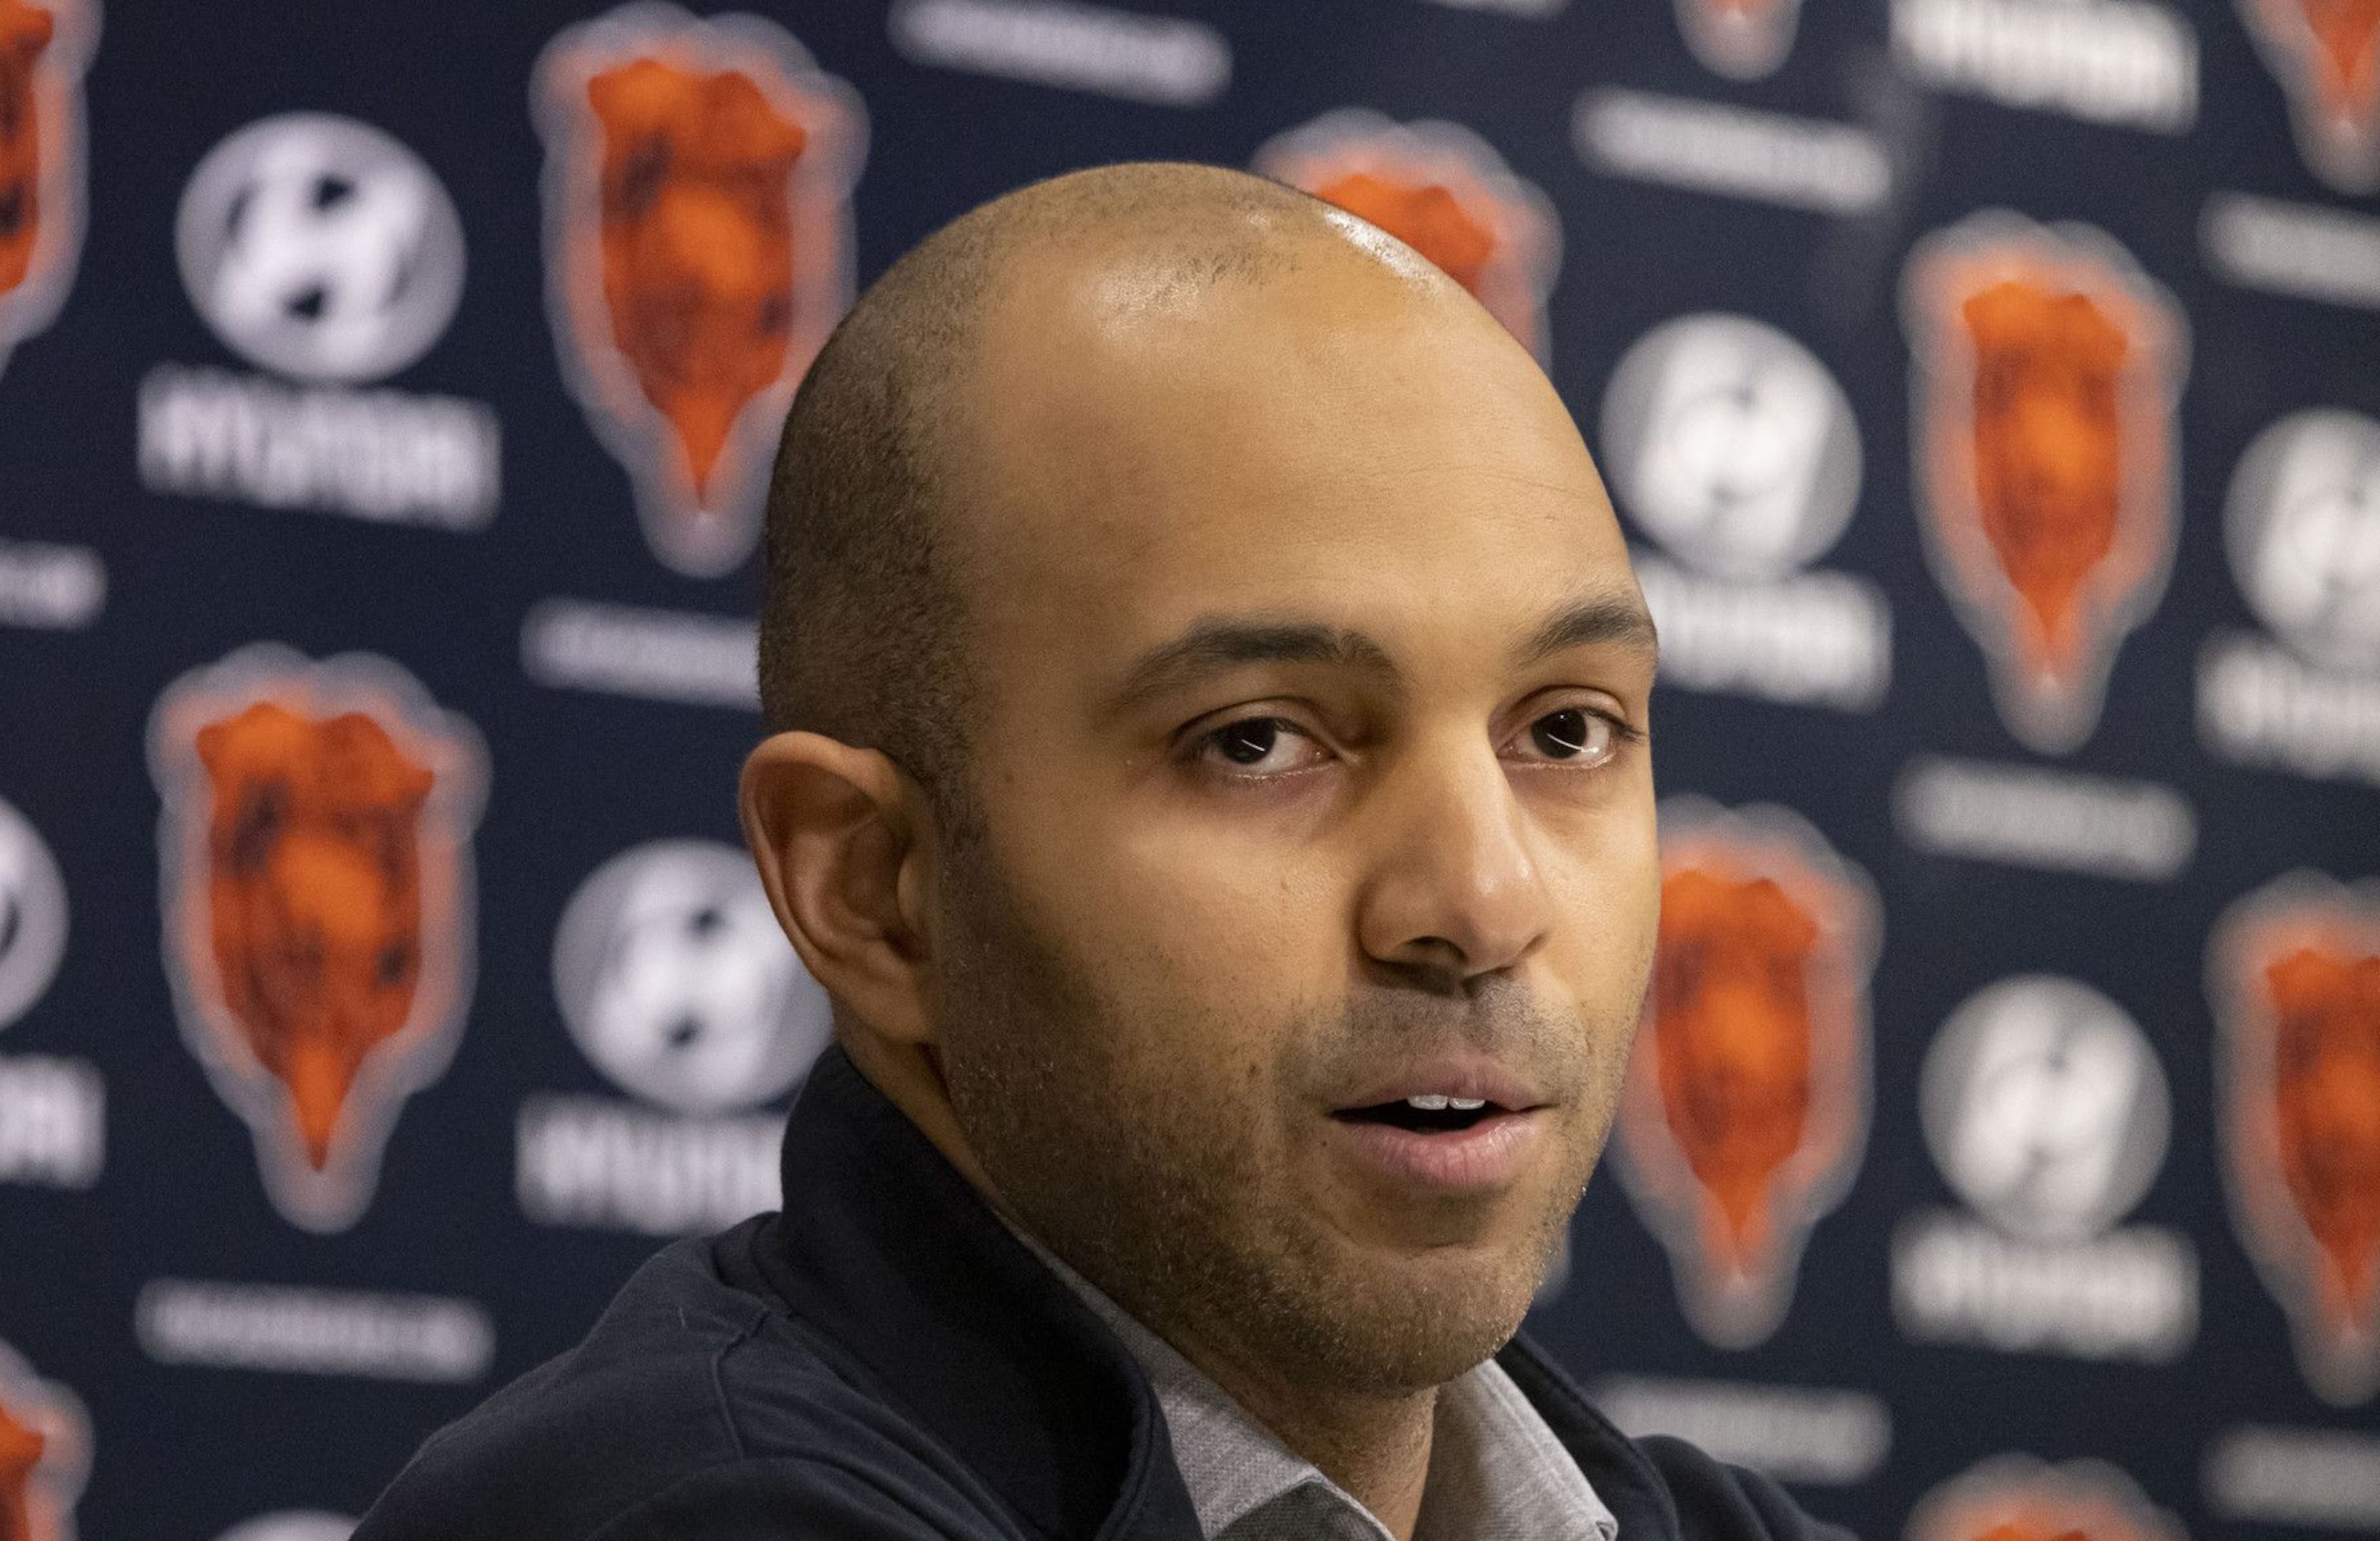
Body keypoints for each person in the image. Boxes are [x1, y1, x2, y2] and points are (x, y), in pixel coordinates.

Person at [354, 161, 1847, 1541]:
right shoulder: (681, 1514)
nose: (1481, 901)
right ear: (869, 890)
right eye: (1258, 741)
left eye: (1567, 732)